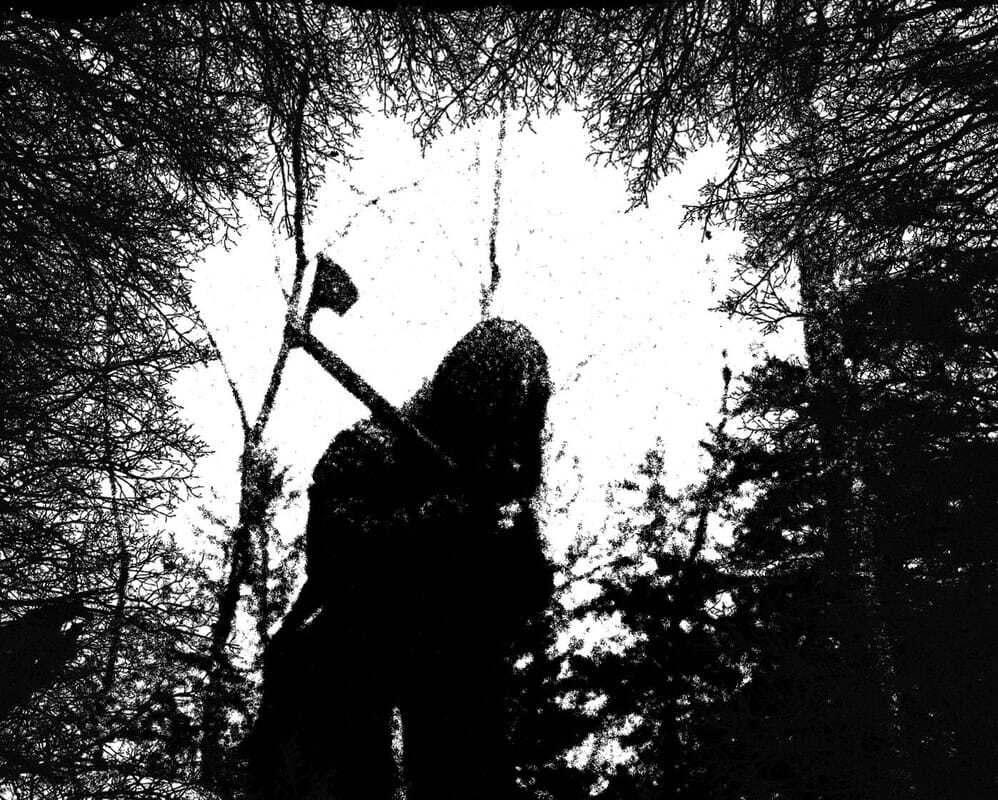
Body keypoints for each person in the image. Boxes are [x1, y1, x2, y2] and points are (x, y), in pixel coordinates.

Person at [249, 318, 554, 800]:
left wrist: (511, 544)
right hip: (341, 689)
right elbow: (333, 553)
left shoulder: (492, 493)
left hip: (446, 704)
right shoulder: (371, 449)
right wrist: (431, 519)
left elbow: (524, 601)